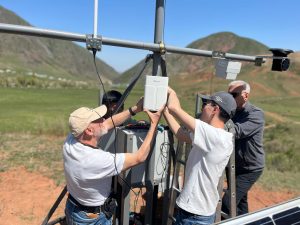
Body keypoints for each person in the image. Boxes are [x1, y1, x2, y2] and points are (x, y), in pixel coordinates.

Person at [63, 98, 163, 225]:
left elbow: (107, 124)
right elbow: (140, 157)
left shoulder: (72, 139)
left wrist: (135, 109)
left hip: (74, 208)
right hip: (93, 219)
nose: (103, 119)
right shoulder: (97, 159)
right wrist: (154, 124)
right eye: (98, 119)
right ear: (89, 131)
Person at [163, 87, 237, 225]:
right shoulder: (214, 136)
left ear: (215, 110)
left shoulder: (214, 136)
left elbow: (174, 107)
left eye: (206, 104)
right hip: (196, 212)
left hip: (194, 216)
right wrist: (165, 112)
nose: (203, 108)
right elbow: (181, 135)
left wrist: (170, 91)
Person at [222, 80, 265, 216]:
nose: (230, 98)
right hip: (233, 165)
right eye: (228, 95)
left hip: (249, 168)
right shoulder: (231, 111)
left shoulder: (256, 114)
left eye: (233, 94)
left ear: (245, 96)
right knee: (240, 202)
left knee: (227, 203)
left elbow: (236, 132)